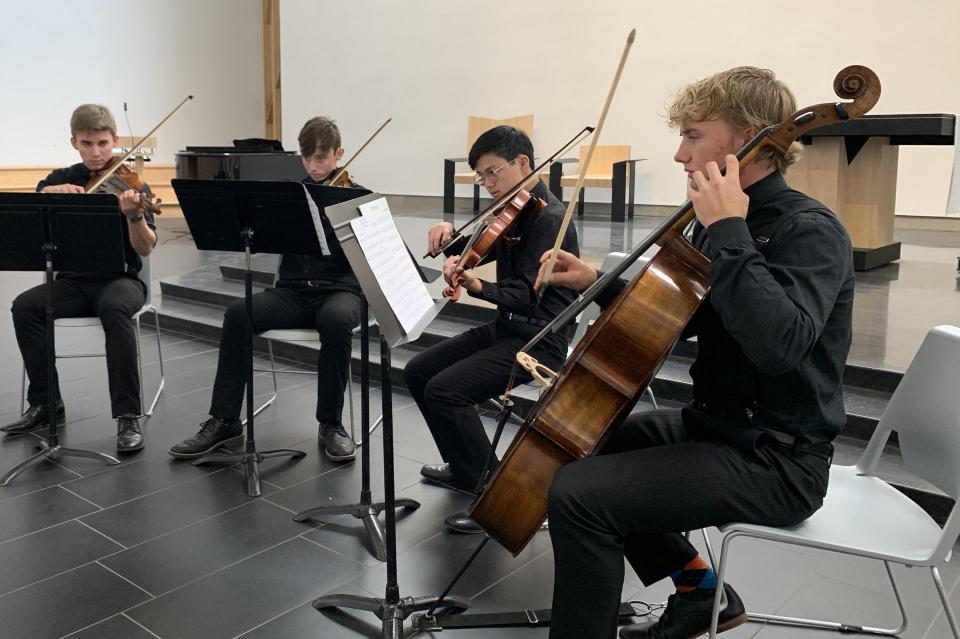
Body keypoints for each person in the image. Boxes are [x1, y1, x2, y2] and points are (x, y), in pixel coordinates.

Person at [537, 67, 854, 638]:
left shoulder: (809, 229)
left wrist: (729, 228)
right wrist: (596, 280)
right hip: (715, 426)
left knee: (581, 498)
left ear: (751, 137)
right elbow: (681, 319)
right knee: (578, 447)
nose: (681, 154)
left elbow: (780, 347)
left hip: (778, 457)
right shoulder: (719, 223)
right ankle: (703, 594)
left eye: (693, 134)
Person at [403, 125, 580, 533]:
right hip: (509, 329)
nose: (487, 185)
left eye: (492, 173)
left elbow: (528, 295)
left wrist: (477, 286)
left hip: (539, 340)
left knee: (446, 390)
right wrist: (449, 236)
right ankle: (467, 470)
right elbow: (474, 248)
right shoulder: (515, 211)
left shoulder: (549, 219)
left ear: (523, 163)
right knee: (418, 372)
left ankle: (495, 495)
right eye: (481, 178)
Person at [168, 117, 364, 462]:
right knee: (238, 313)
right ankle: (225, 420)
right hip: (293, 291)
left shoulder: (358, 196)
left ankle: (330, 424)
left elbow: (369, 256)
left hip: (340, 291)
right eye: (307, 158)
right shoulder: (292, 195)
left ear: (339, 154)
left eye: (321, 158)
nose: (314, 167)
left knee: (335, 320)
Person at [2, 104, 158, 453]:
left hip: (121, 280)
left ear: (115, 141)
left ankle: (128, 415)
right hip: (73, 281)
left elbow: (146, 249)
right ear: (74, 142)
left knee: (116, 310)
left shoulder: (132, 184)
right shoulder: (60, 178)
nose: (96, 152)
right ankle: (46, 404)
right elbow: (35, 211)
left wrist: (135, 217)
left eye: (103, 143)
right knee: (25, 307)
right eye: (87, 144)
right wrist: (47, 196)